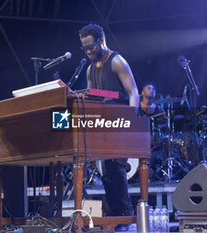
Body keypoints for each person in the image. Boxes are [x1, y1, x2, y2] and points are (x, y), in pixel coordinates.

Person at [79, 24, 139, 227]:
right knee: (106, 174)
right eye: (85, 48)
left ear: (102, 40)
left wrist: (131, 124)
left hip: (120, 123)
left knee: (116, 171)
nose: (88, 52)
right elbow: (92, 99)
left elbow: (133, 93)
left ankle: (126, 218)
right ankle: (117, 219)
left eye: (91, 47)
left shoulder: (117, 62)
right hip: (101, 125)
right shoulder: (89, 70)